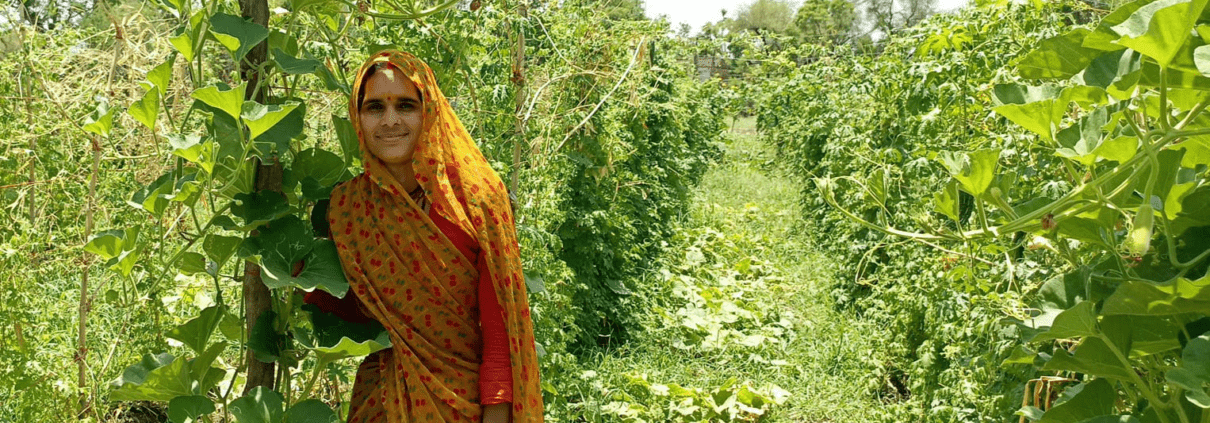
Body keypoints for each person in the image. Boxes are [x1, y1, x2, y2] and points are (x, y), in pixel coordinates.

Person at [306, 50, 543, 423]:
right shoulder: (349, 207)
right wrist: (292, 272)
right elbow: (357, 311)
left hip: (465, 406)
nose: (390, 121)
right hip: (382, 400)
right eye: (374, 108)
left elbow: (500, 334)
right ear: (358, 116)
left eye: (405, 105)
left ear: (429, 110)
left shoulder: (475, 199)